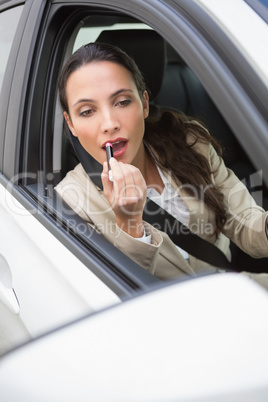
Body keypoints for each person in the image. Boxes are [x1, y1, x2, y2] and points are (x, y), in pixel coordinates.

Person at [55, 42, 268, 288]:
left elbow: (242, 220)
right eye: (87, 111)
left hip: (231, 289)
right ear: (71, 124)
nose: (109, 123)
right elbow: (122, 293)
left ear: (144, 103)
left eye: (122, 102)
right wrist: (130, 224)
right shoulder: (71, 201)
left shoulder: (189, 142)